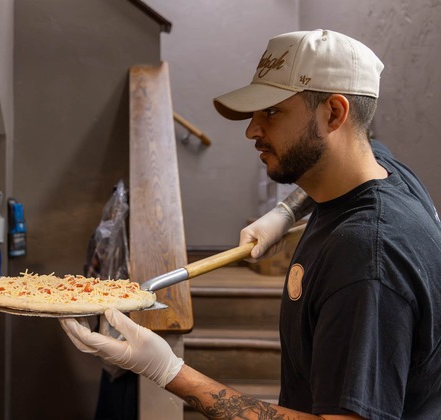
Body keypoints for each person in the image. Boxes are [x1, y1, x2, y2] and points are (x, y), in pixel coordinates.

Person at [60, 29, 441, 419]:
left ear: (334, 113)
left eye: (272, 111)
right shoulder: (388, 174)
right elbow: (373, 149)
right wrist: (287, 212)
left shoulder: (366, 260)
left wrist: (169, 371)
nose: (252, 130)